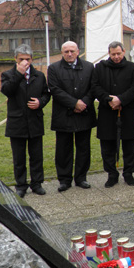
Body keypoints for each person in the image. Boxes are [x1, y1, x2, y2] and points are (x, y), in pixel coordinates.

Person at [1, 44, 51, 198]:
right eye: (21, 59)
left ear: (32, 59)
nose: (25, 62)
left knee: (36, 156)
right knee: (19, 158)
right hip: (17, 122)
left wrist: (40, 102)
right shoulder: (8, 74)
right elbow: (7, 91)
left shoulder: (39, 76)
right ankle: (21, 185)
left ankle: (37, 183)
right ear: (15, 59)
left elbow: (46, 94)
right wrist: (19, 74)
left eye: (28, 59)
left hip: (35, 121)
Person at [47, 41, 96, 192]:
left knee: (83, 148)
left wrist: (83, 103)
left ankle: (81, 178)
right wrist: (74, 103)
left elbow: (93, 88)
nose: (69, 54)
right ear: (62, 53)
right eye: (66, 51)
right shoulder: (53, 68)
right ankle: (64, 180)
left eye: (72, 51)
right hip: (63, 115)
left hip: (84, 113)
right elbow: (55, 89)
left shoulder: (89, 67)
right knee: (63, 149)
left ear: (78, 51)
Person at [92, 41, 134, 188]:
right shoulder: (100, 67)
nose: (116, 57)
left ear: (124, 52)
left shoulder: (133, 68)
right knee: (107, 146)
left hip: (127, 111)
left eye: (118, 53)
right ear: (109, 53)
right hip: (107, 111)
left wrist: (121, 99)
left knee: (129, 145)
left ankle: (129, 173)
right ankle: (112, 174)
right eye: (113, 54)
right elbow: (95, 87)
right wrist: (109, 99)